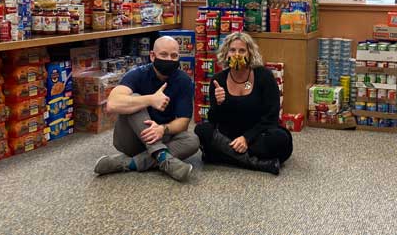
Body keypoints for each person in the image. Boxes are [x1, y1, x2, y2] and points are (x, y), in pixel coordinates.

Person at [93, 36, 199, 182]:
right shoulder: (136, 74)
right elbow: (112, 104)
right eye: (163, 55)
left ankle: (127, 163)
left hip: (161, 136)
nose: (169, 59)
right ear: (152, 56)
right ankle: (162, 155)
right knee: (134, 98)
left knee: (192, 141)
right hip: (131, 139)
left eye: (174, 56)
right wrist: (150, 99)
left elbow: (183, 122)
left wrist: (162, 129)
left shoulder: (183, 80)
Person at [194, 32, 293, 175]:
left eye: (242, 51)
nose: (237, 55)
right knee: (201, 130)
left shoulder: (264, 76)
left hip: (258, 134)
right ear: (226, 54)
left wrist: (246, 138)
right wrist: (219, 104)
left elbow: (271, 117)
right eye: (233, 50)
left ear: (250, 54)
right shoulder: (218, 80)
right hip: (229, 135)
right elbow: (213, 120)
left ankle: (224, 156)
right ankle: (258, 163)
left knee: (280, 140)